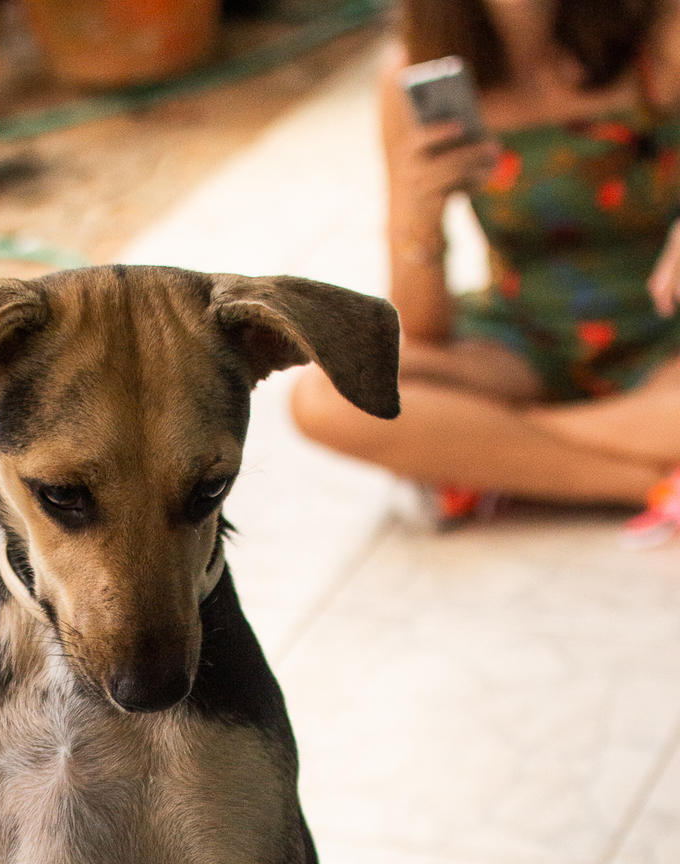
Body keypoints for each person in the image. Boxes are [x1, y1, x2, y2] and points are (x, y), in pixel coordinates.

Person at [291, 0, 680, 543]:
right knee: (327, 395)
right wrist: (416, 213)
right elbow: (425, 330)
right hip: (524, 338)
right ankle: (646, 483)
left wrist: (462, 436)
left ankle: (494, 460)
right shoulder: (412, 73)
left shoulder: (659, 29)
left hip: (667, 333)